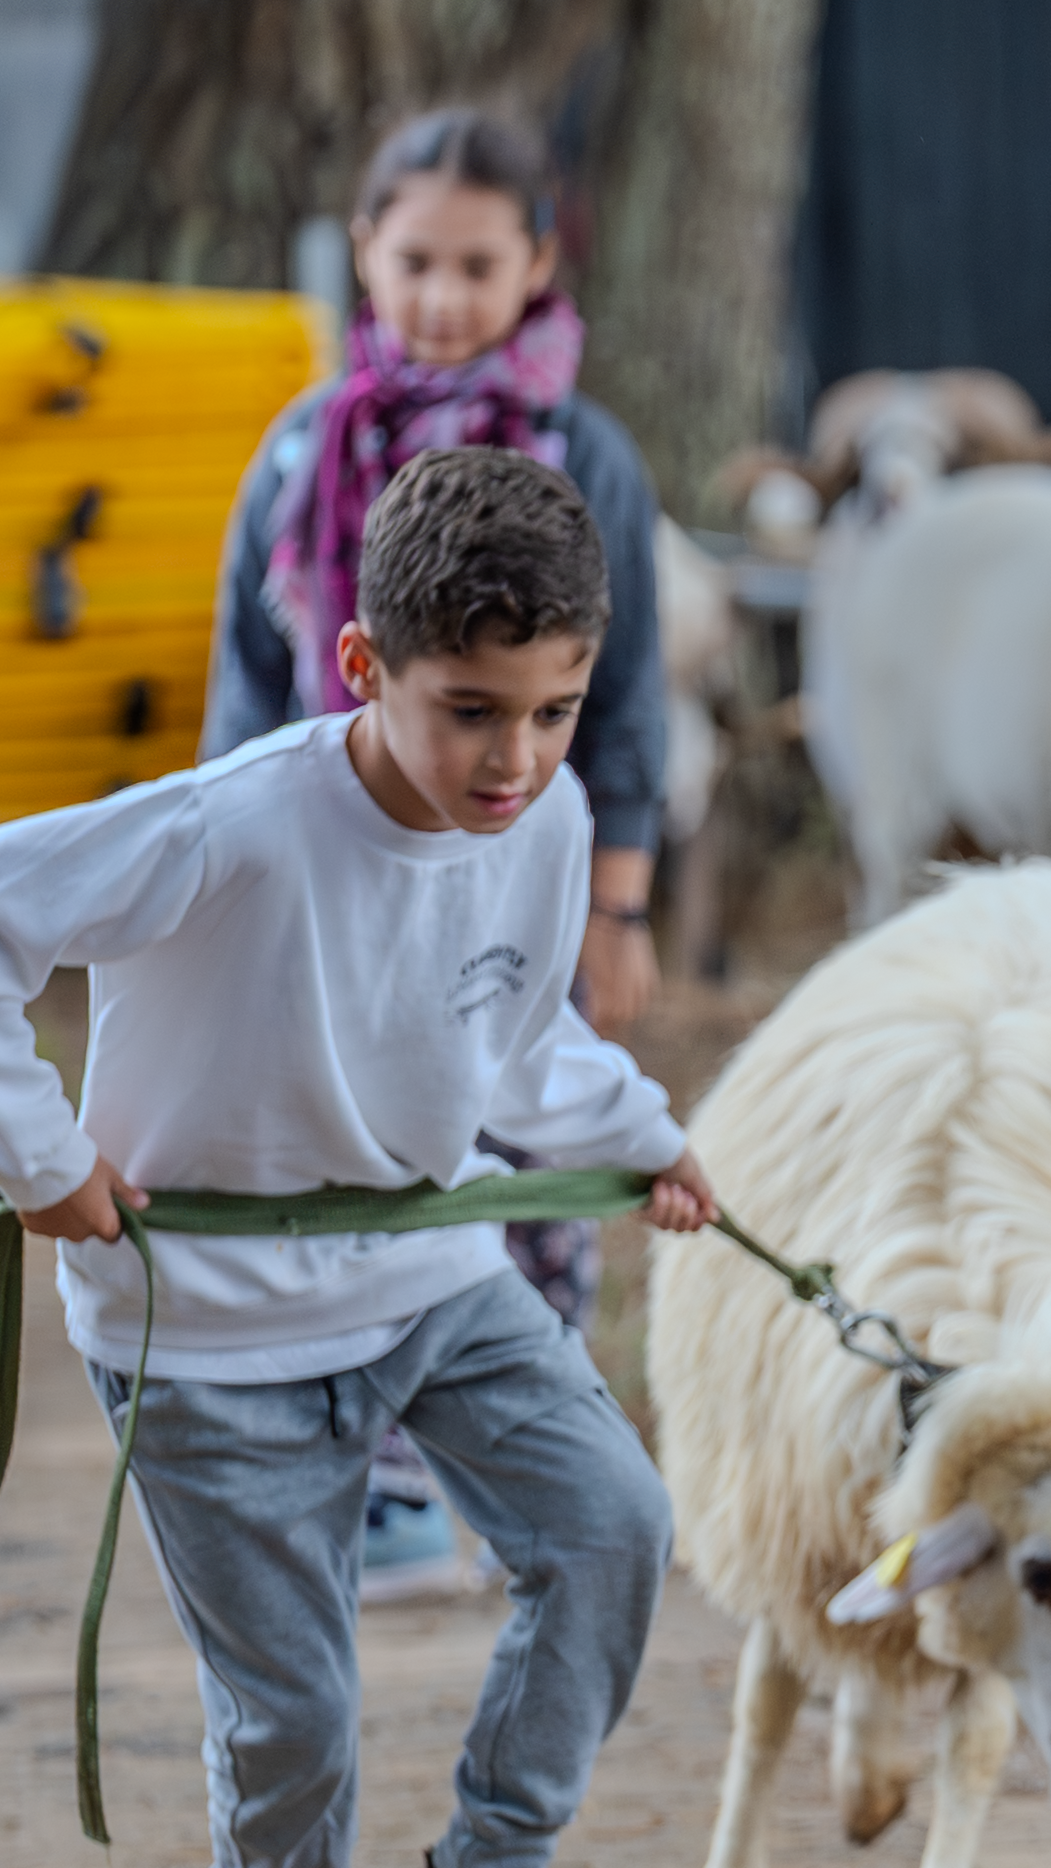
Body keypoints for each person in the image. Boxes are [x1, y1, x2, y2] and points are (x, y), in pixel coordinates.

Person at [0, 446, 714, 1868]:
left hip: (425, 1274)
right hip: (204, 1319)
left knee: (616, 1524)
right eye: (470, 709)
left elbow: (509, 1033)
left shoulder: (546, 821)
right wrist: (39, 1157)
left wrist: (644, 1142)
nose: (517, 759)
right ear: (361, 667)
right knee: (299, 1703)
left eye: (557, 710)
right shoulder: (235, 823)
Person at [200, 107, 670, 1598]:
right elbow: (242, 682)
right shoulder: (302, 451)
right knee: (357, 1163)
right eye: (416, 261)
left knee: (525, 1154)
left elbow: (633, 685)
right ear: (364, 254)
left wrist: (619, 900)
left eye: (480, 264)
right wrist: (225, 882)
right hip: (333, 890)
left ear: (538, 260)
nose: (446, 296)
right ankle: (380, 1491)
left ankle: (532, 1463)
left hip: (520, 876)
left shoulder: (589, 456)